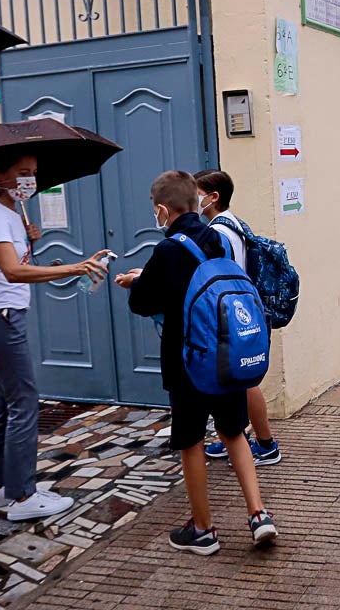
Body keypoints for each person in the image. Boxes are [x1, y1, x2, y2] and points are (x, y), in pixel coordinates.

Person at [115, 170, 277, 553]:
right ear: (196, 201)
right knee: (234, 433)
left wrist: (137, 282)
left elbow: (144, 303)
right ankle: (259, 515)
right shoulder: (216, 239)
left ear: (161, 209)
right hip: (224, 355)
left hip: (186, 361)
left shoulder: (167, 250)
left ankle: (202, 529)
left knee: (190, 442)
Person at [0, 151, 111, 521]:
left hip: (1, 313)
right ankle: (23, 496)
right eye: (22, 173)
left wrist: (32, 243)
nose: (30, 180)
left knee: (7, 401)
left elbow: (15, 266)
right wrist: (76, 267)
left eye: (34, 173)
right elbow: (12, 272)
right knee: (25, 401)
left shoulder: (9, 214)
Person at [194, 169, 282, 466]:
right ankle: (239, 439)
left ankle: (259, 444)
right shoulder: (233, 223)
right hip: (245, 311)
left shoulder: (217, 232)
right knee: (240, 382)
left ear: (212, 197)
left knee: (241, 382)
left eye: (197, 193)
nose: (194, 199)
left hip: (231, 317)